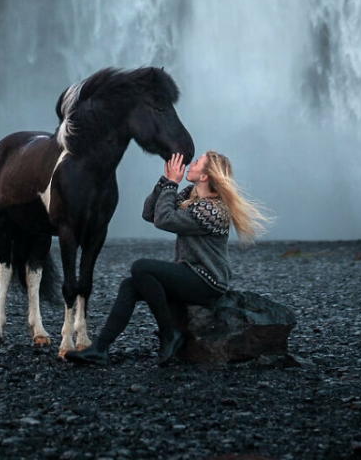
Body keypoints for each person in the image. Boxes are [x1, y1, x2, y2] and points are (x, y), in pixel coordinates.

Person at [66, 149, 269, 367]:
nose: (191, 163)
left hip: (207, 282)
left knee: (141, 267)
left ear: (205, 176)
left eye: (197, 162)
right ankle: (100, 349)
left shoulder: (212, 211)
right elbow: (149, 213)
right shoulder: (191, 197)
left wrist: (172, 184)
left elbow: (164, 220)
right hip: (189, 273)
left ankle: (169, 333)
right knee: (130, 285)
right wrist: (165, 182)